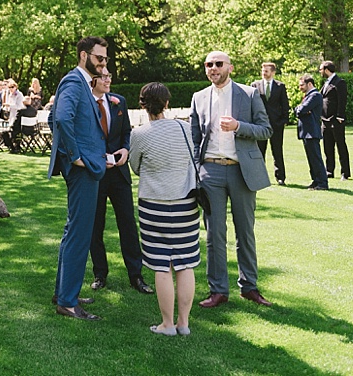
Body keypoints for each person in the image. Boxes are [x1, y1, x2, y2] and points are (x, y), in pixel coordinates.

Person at [190, 50, 273, 309]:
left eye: (218, 64)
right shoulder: (199, 97)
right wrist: (197, 169)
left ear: (230, 67)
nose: (213, 68)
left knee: (245, 231)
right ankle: (218, 290)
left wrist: (238, 126)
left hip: (241, 170)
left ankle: (249, 287)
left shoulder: (249, 94)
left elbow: (266, 129)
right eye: (208, 64)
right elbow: (194, 137)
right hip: (210, 171)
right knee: (214, 234)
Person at [129, 82, 199, 336]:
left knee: (162, 265)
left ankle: (167, 324)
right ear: (167, 103)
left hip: (153, 205)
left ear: (143, 105)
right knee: (185, 263)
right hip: (185, 204)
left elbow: (135, 166)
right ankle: (183, 323)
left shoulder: (139, 134)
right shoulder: (186, 128)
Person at [49, 36, 109, 321]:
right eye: (100, 58)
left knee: (73, 230)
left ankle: (64, 292)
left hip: (86, 167)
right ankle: (68, 303)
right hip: (83, 170)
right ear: (84, 55)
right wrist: (74, 156)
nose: (103, 63)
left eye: (105, 59)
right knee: (79, 234)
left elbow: (53, 118)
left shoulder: (80, 82)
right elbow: (60, 119)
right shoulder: (75, 82)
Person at [89, 71, 153, 295]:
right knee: (95, 225)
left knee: (127, 224)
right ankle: (100, 274)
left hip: (119, 173)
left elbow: (126, 131)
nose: (108, 80)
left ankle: (136, 275)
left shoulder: (119, 101)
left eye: (109, 76)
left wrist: (126, 149)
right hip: (95, 173)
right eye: (103, 77)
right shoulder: (84, 103)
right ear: (92, 80)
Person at [251, 63, 290, 185]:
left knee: (277, 151)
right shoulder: (255, 85)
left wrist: (284, 121)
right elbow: (251, 104)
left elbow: (285, 104)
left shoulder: (280, 86)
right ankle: (259, 176)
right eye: (263, 71)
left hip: (276, 124)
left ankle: (280, 177)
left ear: (273, 72)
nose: (264, 73)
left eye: (266, 71)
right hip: (260, 124)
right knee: (259, 151)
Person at [318, 60, 350, 180]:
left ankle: (345, 172)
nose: (320, 72)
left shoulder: (339, 82)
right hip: (325, 119)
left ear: (326, 70)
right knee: (327, 146)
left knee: (340, 145)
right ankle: (329, 170)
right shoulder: (326, 83)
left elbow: (342, 100)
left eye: (321, 69)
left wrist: (340, 116)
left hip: (336, 120)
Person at [295, 74, 327, 190]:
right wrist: (300, 109)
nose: (300, 87)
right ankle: (316, 180)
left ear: (309, 84)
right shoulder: (308, 96)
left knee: (316, 158)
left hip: (312, 131)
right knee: (311, 158)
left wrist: (300, 109)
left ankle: (322, 182)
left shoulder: (315, 95)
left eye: (302, 85)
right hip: (306, 132)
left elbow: (301, 110)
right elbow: (299, 110)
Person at [2, 79, 25, 154]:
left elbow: (19, 106)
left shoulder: (19, 94)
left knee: (15, 132)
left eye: (12, 87)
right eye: (9, 87)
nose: (11, 89)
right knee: (5, 132)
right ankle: (11, 147)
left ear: (15, 87)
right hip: (11, 115)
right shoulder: (10, 95)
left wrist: (9, 105)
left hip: (18, 115)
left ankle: (16, 147)